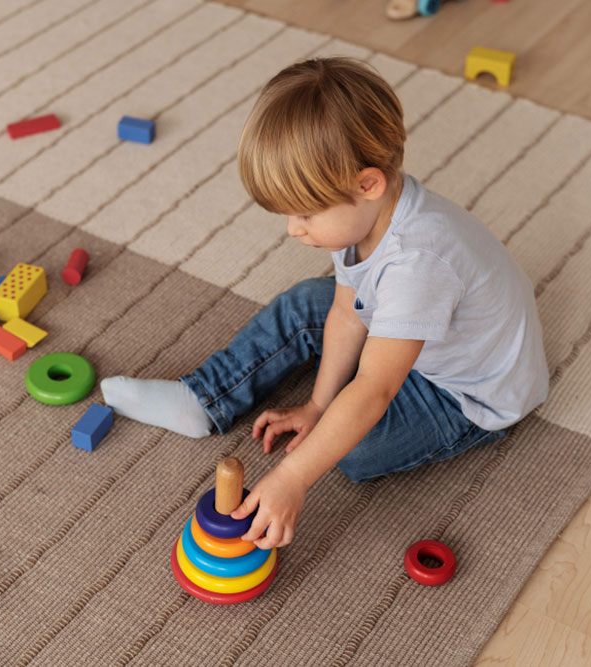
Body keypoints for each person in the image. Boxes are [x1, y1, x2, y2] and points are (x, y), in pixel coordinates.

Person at [101, 57, 548, 551]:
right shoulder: (360, 218)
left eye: (306, 214)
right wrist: (318, 403)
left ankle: (334, 423)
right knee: (301, 308)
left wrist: (294, 476)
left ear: (367, 185)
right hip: (414, 330)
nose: (294, 229)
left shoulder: (417, 263)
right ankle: (204, 400)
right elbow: (344, 311)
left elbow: (376, 389)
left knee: (351, 452)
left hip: (467, 394)